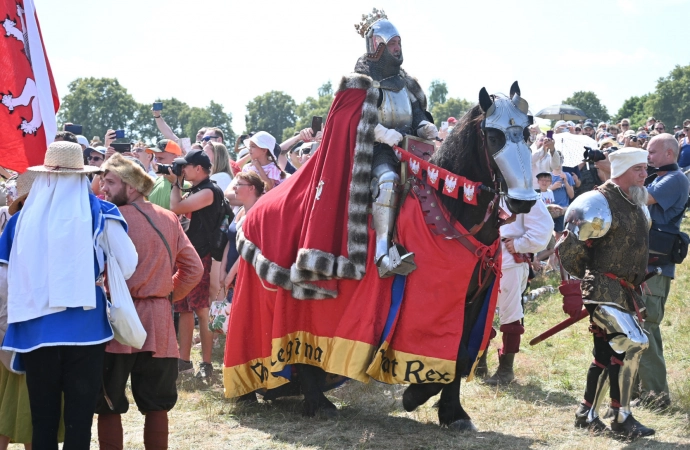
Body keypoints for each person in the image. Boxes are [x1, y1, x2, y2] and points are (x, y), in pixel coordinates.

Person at [0, 142, 137, 448]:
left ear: (45, 176)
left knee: (43, 421)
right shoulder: (101, 211)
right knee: (79, 421)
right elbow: (127, 265)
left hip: (34, 330)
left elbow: (4, 280)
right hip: (86, 329)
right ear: (82, 175)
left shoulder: (20, 220)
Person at [95, 154, 203, 449]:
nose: (103, 188)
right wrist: (165, 294)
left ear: (131, 187)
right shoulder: (168, 217)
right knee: (157, 404)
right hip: (159, 320)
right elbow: (194, 269)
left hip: (115, 319)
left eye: (111, 182)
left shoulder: (108, 217)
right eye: (103, 181)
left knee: (107, 401)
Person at [559, 147, 655, 437]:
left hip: (625, 290)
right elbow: (569, 250)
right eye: (638, 169)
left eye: (645, 168)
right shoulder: (595, 202)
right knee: (634, 342)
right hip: (601, 287)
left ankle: (586, 413)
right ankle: (622, 416)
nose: (644, 174)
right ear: (623, 169)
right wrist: (585, 282)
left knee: (607, 350)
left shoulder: (637, 200)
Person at [637, 134, 690, 409]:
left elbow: (640, 198)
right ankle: (634, 389)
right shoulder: (659, 176)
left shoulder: (675, 179)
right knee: (632, 327)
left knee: (646, 327)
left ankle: (657, 396)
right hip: (643, 264)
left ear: (669, 153)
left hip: (656, 268)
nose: (649, 157)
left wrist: (624, 169)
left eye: (652, 152)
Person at [165, 149, 223, 378]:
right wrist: (178, 182)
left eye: (185, 167)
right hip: (190, 255)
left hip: (203, 256)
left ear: (198, 168)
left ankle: (207, 364)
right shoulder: (200, 188)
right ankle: (184, 360)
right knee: (184, 309)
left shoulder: (210, 190)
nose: (181, 170)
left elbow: (175, 208)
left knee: (201, 309)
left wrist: (175, 184)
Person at [481, 199, 553, 384]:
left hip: (509, 261)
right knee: (481, 311)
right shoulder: (488, 186)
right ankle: (478, 363)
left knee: (510, 314)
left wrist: (521, 244)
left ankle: (505, 370)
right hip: (484, 257)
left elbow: (543, 227)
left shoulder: (522, 192)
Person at [221, 172, 265, 305]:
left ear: (252, 188)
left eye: (239, 184)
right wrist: (222, 270)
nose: (234, 187)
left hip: (246, 276)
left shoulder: (258, 214)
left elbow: (250, 249)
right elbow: (230, 240)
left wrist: (230, 275)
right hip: (231, 275)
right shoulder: (239, 210)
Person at [146, 139, 184, 210]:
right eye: (156, 159)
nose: (157, 162)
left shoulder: (185, 185)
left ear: (175, 158)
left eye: (161, 158)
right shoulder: (153, 183)